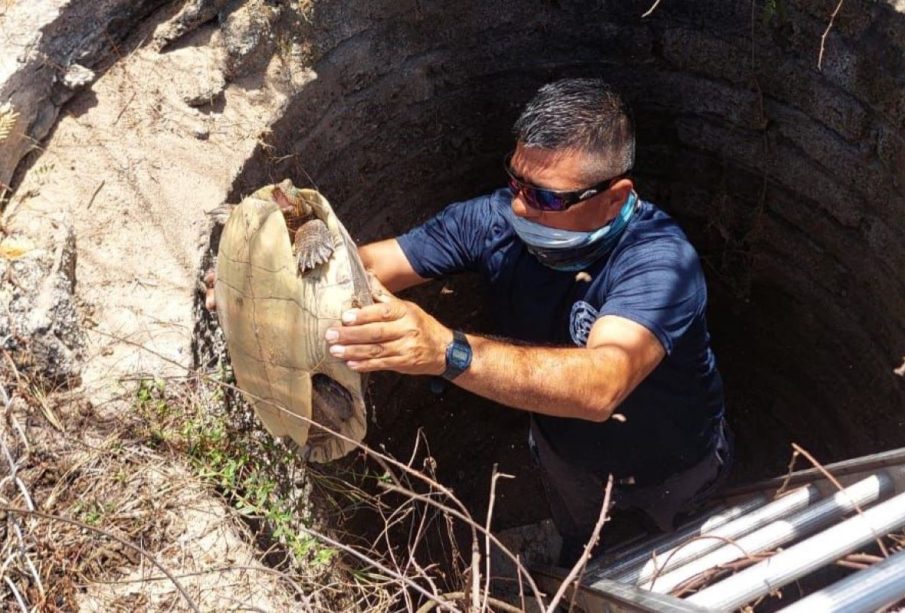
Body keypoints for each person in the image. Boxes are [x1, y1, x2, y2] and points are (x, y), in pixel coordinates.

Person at [209, 78, 732, 566]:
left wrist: (448, 352)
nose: (523, 209)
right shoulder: (491, 220)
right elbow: (361, 268)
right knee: (584, 537)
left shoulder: (658, 261)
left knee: (686, 548)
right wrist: (262, 288)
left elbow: (601, 385)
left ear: (614, 196)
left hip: (677, 458)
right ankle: (577, 556)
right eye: (517, 182)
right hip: (566, 455)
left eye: (548, 197)